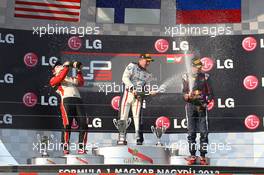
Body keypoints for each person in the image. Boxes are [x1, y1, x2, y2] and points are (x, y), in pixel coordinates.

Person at [50, 60, 88, 155]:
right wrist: (67, 66)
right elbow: (61, 76)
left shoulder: (70, 78)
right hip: (66, 101)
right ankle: (65, 148)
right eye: (57, 66)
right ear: (54, 71)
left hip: (78, 100)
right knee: (67, 125)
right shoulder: (53, 79)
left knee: (84, 123)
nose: (60, 66)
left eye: (60, 65)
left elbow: (81, 82)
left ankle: (81, 148)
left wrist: (78, 70)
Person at [182, 57, 214, 165]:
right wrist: (186, 96)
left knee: (204, 133)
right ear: (191, 67)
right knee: (191, 133)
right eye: (196, 67)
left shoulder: (205, 77)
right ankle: (192, 155)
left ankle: (203, 156)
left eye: (200, 67)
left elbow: (211, 94)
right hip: (191, 106)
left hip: (201, 107)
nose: (198, 69)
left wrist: (206, 101)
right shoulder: (185, 76)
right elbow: (183, 93)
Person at [119, 54, 154, 145]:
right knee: (123, 115)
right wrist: (132, 88)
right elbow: (124, 77)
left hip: (138, 96)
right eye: (147, 61)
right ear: (141, 60)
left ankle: (138, 137)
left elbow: (147, 87)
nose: (148, 63)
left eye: (150, 61)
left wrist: (150, 91)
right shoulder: (132, 66)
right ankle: (122, 137)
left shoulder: (148, 74)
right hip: (128, 94)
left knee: (137, 116)